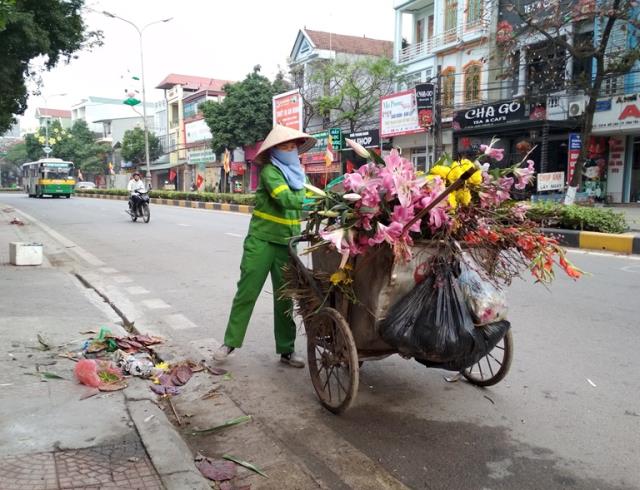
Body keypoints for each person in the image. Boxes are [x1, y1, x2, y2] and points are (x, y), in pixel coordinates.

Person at [214, 125, 316, 367]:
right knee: (247, 293)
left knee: (285, 299)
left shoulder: (300, 176)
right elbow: (288, 200)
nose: (290, 150)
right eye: (285, 146)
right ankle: (229, 343)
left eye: (294, 146)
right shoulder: (271, 172)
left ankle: (286, 350)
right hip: (261, 242)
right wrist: (313, 198)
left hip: (287, 245)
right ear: (274, 151)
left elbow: (304, 203)